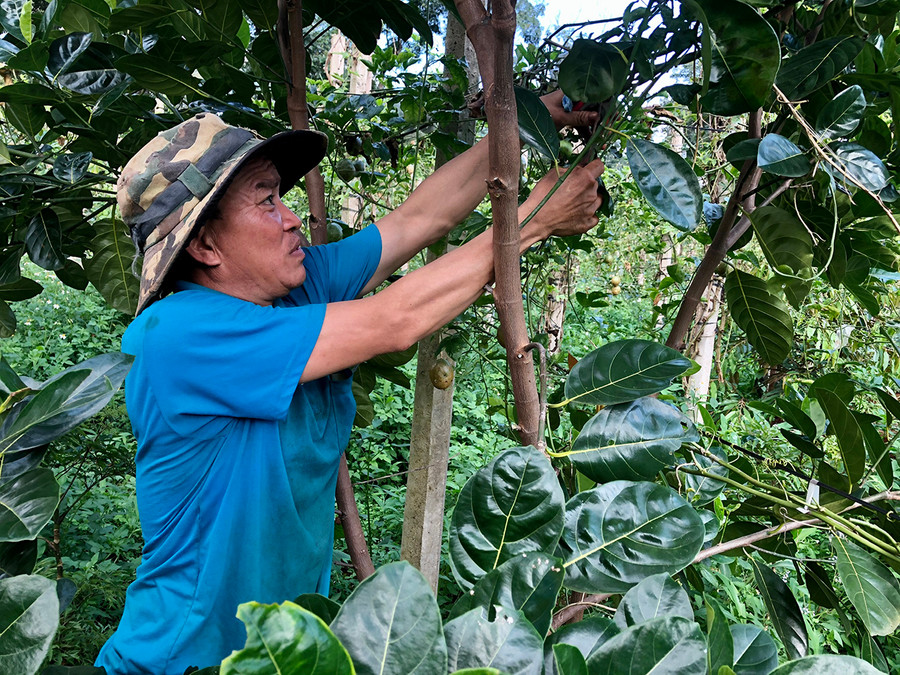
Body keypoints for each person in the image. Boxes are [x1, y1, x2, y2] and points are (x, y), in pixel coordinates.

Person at [95, 94, 604, 674]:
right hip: (181, 659)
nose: (291, 217)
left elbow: (420, 220)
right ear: (206, 246)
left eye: (282, 196)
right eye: (266, 201)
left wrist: (531, 119)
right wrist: (532, 223)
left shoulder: (293, 288)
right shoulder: (178, 334)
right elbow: (396, 320)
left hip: (283, 653)